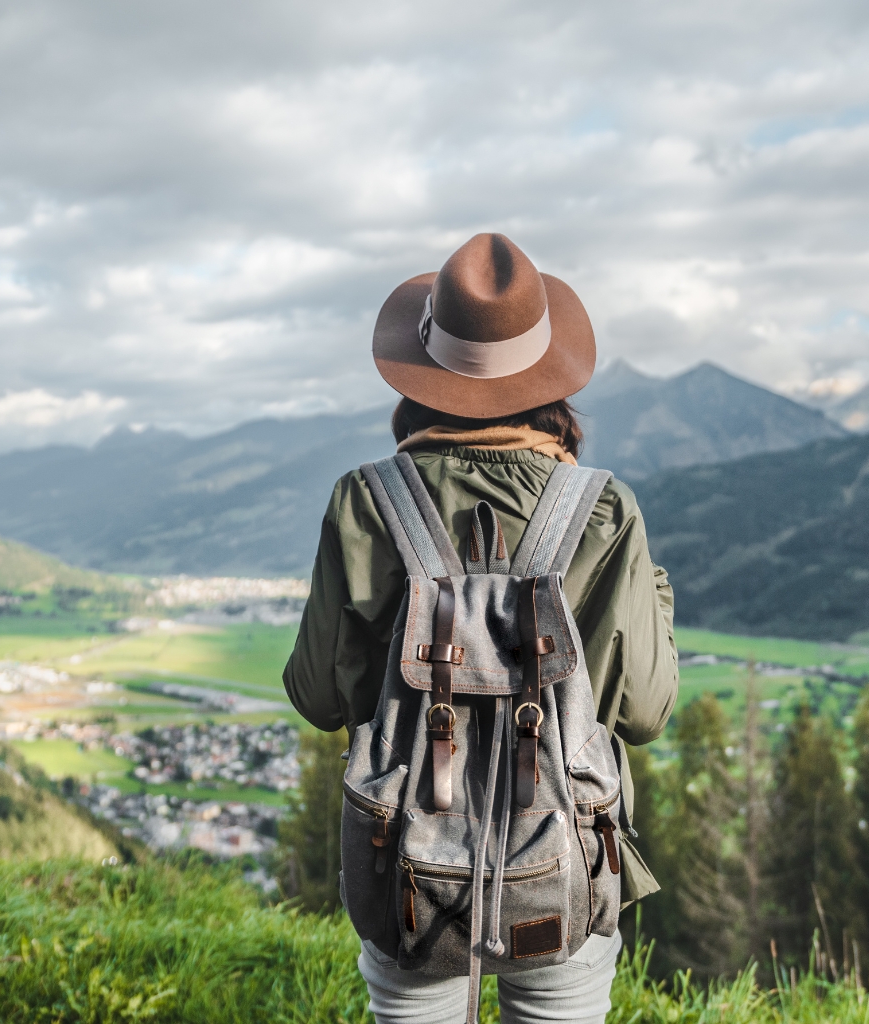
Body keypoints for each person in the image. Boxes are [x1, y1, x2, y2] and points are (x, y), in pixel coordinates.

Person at [283, 232, 679, 1024]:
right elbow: (645, 710)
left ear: (421, 374)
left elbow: (320, 696)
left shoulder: (365, 503)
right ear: (550, 378)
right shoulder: (602, 509)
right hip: (567, 855)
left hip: (408, 867)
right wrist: (654, 597)